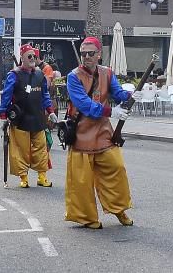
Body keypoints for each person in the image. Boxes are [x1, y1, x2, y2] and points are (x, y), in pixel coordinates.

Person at [65, 36, 135, 229]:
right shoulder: (73, 76)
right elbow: (84, 105)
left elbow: (118, 92)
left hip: (103, 132)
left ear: (99, 54)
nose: (86, 57)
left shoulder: (107, 73)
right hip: (81, 132)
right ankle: (87, 217)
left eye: (91, 53)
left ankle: (119, 209)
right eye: (83, 53)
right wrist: (112, 111)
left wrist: (129, 96)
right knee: (82, 181)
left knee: (117, 168)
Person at [0, 44, 58, 188]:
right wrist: (2, 116)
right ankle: (23, 177)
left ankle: (42, 177)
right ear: (22, 58)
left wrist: (51, 111)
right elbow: (6, 96)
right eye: (29, 56)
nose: (32, 59)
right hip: (21, 119)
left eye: (34, 56)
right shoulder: (14, 75)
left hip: (38, 118)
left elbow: (45, 95)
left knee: (42, 149)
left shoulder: (40, 74)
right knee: (20, 150)